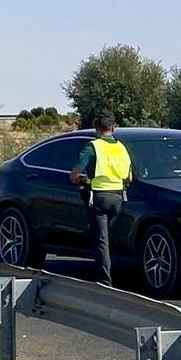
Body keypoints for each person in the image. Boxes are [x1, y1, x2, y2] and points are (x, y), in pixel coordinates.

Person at [70, 113, 132, 286]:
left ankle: (104, 281)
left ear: (97, 129)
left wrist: (80, 180)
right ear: (113, 128)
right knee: (107, 237)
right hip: (118, 198)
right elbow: (129, 178)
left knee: (101, 241)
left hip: (99, 197)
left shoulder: (93, 147)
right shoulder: (121, 148)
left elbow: (75, 174)